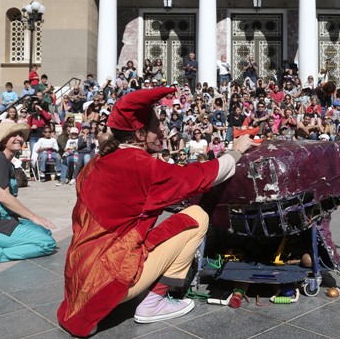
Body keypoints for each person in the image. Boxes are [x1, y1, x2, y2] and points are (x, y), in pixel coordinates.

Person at [57, 87, 255, 337]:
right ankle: (154, 303)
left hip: (77, 276)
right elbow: (201, 177)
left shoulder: (96, 162)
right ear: (140, 134)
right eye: (156, 126)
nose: (163, 131)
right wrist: (236, 150)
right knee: (197, 217)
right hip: (110, 278)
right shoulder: (141, 166)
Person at [0, 123, 56, 265]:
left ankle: (3, 245)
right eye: (13, 135)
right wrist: (34, 217)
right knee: (46, 243)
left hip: (4, 219)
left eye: (20, 135)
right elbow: (4, 197)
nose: (19, 138)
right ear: (2, 140)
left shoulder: (6, 162)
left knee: (45, 232)